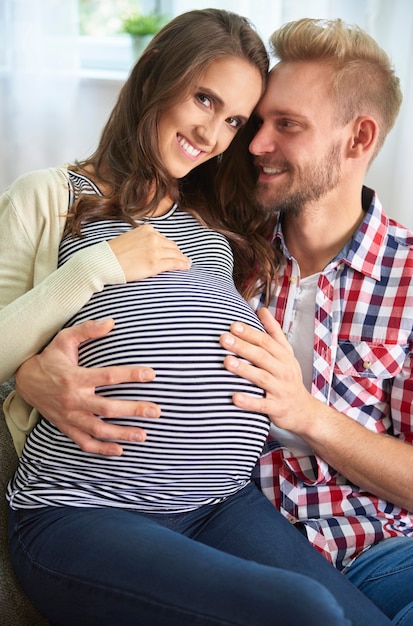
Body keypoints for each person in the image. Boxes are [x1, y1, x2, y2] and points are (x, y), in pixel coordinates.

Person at [0, 8, 375, 626]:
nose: (214, 135)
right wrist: (95, 270)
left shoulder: (216, 219)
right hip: (83, 509)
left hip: (221, 505)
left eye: (233, 120)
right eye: (205, 99)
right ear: (154, 75)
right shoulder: (51, 197)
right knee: (303, 610)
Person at [216, 17, 413, 625]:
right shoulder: (222, 258)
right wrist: (34, 373)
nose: (254, 145)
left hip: (388, 554)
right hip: (253, 553)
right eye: (258, 123)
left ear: (358, 139)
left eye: (287, 126)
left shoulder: (409, 277)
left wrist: (303, 413)